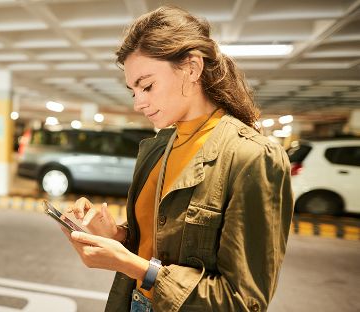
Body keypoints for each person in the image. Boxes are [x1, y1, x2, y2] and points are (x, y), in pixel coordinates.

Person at [60, 5, 294, 312]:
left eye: (147, 86)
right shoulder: (158, 147)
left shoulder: (252, 157)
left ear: (193, 68)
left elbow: (242, 301)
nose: (139, 103)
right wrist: (116, 235)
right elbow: (159, 244)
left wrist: (135, 267)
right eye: (133, 91)